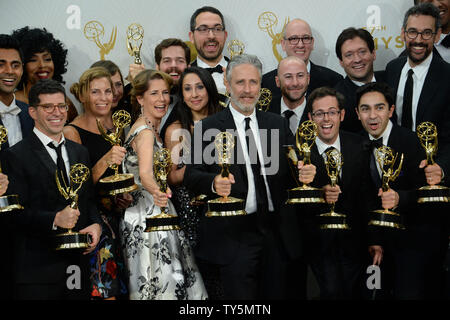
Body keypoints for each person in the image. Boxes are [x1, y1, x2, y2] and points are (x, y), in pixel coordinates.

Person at [184, 54, 296, 299]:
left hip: (275, 233)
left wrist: (305, 171)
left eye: (253, 82)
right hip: (232, 235)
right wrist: (213, 183)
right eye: (240, 82)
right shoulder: (209, 127)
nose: (247, 90)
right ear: (227, 83)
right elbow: (191, 176)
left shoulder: (276, 124)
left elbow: (293, 172)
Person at [3, 79, 102, 299]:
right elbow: (13, 216)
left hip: (76, 266)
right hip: (37, 270)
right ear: (33, 112)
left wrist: (96, 224)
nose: (56, 112)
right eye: (48, 107)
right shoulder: (16, 156)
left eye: (61, 106)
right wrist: (54, 219)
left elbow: (88, 201)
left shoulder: (80, 153)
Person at [120, 69, 207, 300]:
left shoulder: (144, 128)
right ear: (140, 98)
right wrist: (158, 193)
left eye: (166, 93)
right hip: (150, 216)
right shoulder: (146, 133)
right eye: (154, 93)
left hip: (149, 212)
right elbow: (147, 174)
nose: (162, 100)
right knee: (162, 286)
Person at [385, 4, 450, 295]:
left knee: (427, 274)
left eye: (426, 32)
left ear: (437, 35)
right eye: (413, 31)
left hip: (431, 189)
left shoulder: (448, 76)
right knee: (394, 273)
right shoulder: (392, 69)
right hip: (395, 187)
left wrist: (444, 166)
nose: (419, 39)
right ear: (403, 34)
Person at [355, 82, 431, 299]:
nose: (372, 116)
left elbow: (427, 192)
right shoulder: (354, 144)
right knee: (373, 292)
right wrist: (373, 240)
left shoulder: (411, 141)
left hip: (410, 241)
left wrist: (400, 198)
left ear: (390, 110)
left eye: (379, 108)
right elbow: (360, 199)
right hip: (372, 244)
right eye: (365, 109)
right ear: (356, 113)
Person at [63, 67, 129, 299]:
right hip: (93, 220)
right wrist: (105, 160)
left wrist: (124, 196)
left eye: (108, 91)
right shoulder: (71, 131)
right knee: (103, 289)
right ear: (82, 95)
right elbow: (75, 188)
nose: (103, 98)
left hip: (122, 219)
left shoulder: (119, 127)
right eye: (95, 92)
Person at [300, 86, 368, 299]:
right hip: (318, 248)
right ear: (311, 117)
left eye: (331, 112)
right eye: (319, 113)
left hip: (357, 246)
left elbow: (367, 195)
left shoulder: (360, 145)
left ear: (342, 114)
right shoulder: (299, 151)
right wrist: (320, 194)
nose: (326, 119)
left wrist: (375, 240)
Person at [163, 66, 223, 298]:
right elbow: (173, 176)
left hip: (224, 204)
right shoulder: (176, 129)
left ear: (209, 89)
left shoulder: (225, 122)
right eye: (187, 89)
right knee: (202, 276)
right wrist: (202, 171)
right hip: (191, 210)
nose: (194, 94)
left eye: (199, 87)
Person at [261, 19, 343, 99]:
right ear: (283, 44)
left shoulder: (333, 81)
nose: (300, 45)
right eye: (293, 39)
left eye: (306, 38)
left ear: (312, 43)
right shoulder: (266, 83)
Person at [11, 27, 78, 122]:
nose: (42, 65)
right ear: (21, 65)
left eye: (47, 59)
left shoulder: (65, 102)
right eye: (33, 60)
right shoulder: (12, 102)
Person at [127, 38, 190, 136]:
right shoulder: (138, 94)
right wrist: (136, 81)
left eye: (180, 61)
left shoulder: (195, 100)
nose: (173, 65)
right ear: (157, 67)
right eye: (167, 61)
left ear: (188, 67)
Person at [334, 27, 386, 133]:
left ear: (373, 54)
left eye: (362, 52)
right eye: (349, 55)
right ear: (341, 61)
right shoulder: (337, 100)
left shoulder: (392, 80)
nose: (357, 59)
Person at [0, 34, 34, 150]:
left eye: (15, 65)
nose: (9, 71)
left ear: (22, 69)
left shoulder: (31, 114)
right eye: (1, 65)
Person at [188, 6, 228, 96]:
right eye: (203, 29)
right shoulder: (184, 76)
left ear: (225, 35)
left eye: (217, 29)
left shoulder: (240, 71)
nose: (211, 36)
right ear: (191, 37)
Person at [268, 56, 310, 135]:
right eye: (288, 77)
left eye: (300, 76)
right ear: (277, 82)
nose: (295, 83)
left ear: (308, 79)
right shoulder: (265, 112)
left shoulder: (319, 112)